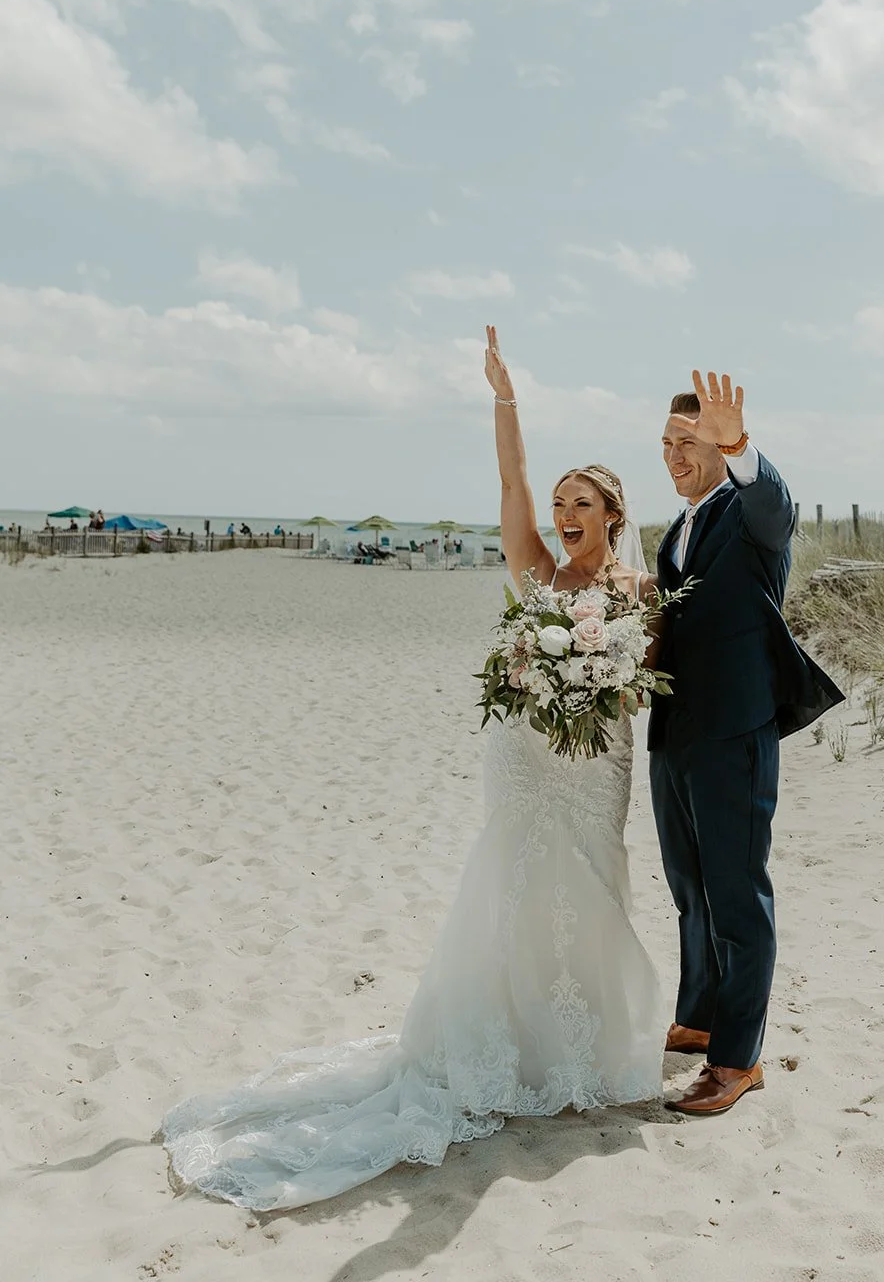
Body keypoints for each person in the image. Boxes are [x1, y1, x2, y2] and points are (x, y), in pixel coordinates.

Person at [160, 324, 663, 1210]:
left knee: (591, 889)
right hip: (524, 761)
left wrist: (599, 682)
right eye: (559, 501)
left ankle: (578, 1047)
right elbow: (506, 483)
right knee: (513, 889)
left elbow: (644, 680)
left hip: (596, 766)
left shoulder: (636, 592)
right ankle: (504, 1047)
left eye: (580, 501)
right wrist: (505, 401)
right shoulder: (536, 574)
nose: (562, 512)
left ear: (614, 514)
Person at [649, 372, 844, 1117]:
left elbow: (775, 503)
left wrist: (734, 442)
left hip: (733, 729)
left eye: (686, 442)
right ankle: (698, 1018)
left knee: (735, 891)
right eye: (664, 443)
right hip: (674, 730)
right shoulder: (679, 525)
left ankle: (738, 1060)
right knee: (687, 887)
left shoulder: (747, 513)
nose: (672, 455)